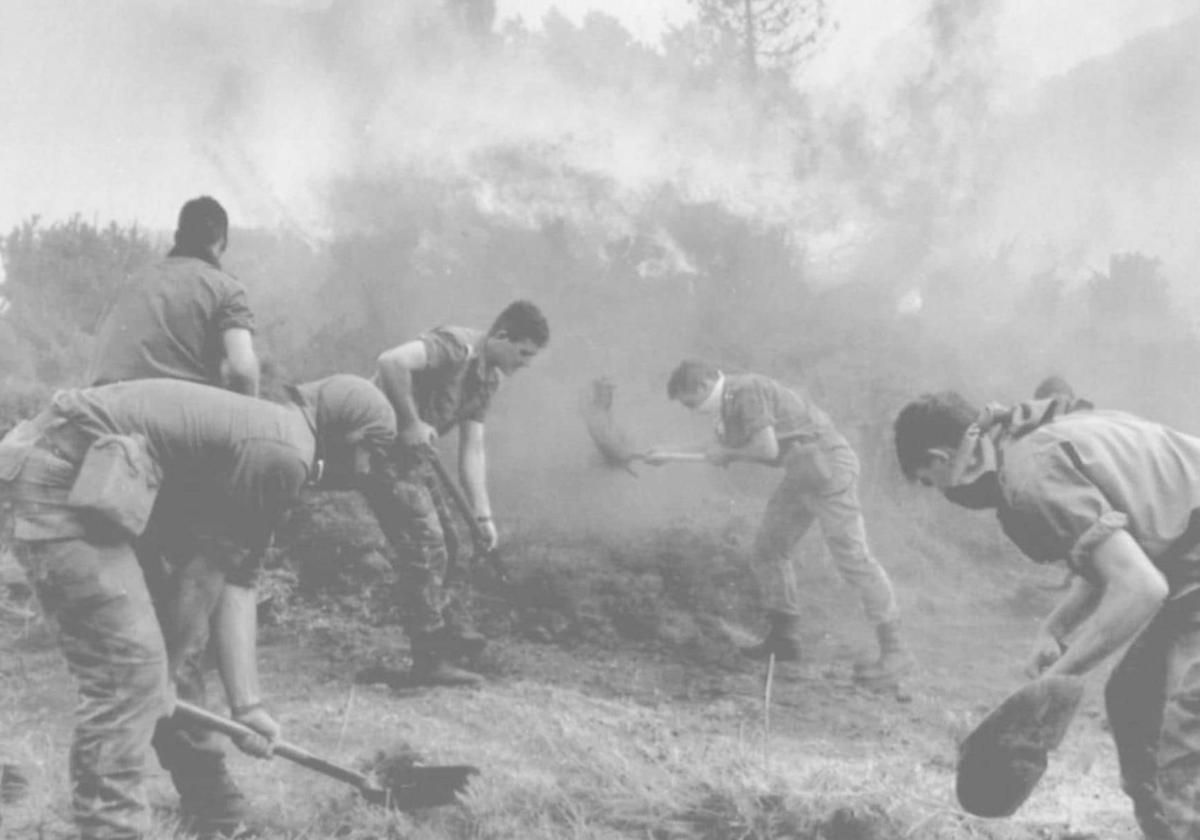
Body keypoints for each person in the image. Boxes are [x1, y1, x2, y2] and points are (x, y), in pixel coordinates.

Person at [0, 375, 395, 840]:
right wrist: (163, 676)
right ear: (352, 435)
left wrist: (248, 707)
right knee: (131, 674)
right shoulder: (284, 453)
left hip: (72, 472)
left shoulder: (278, 438)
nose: (368, 470)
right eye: (374, 452)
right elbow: (200, 579)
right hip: (56, 477)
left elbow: (236, 580)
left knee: (140, 671)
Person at [894, 391, 1200, 838]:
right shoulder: (1034, 441)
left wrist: (1055, 681)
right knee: (1136, 700)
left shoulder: (1030, 474)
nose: (939, 492)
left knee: (1177, 730)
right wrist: (1056, 626)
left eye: (928, 480)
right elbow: (1122, 550)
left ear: (940, 458)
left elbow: (1140, 588)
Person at [648, 360, 912, 686]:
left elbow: (764, 447)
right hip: (803, 469)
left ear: (702, 387)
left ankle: (895, 649)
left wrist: (728, 456)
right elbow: (716, 448)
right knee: (768, 550)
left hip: (830, 466)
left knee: (853, 558)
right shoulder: (728, 404)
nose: (691, 410)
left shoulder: (746, 390)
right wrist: (667, 452)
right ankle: (784, 638)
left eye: (690, 403)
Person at [366, 300, 549, 686]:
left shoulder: (489, 378)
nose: (525, 363)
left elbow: (473, 449)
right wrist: (412, 422)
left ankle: (446, 631)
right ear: (501, 336)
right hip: (374, 448)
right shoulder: (454, 347)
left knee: (453, 541)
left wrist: (482, 517)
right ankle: (429, 660)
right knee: (426, 544)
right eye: (523, 353)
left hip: (413, 458)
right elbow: (390, 362)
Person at [89, 195, 260, 395]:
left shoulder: (130, 282)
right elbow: (243, 370)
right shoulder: (226, 288)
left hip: (101, 402)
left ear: (177, 237)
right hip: (174, 407)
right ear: (221, 243)